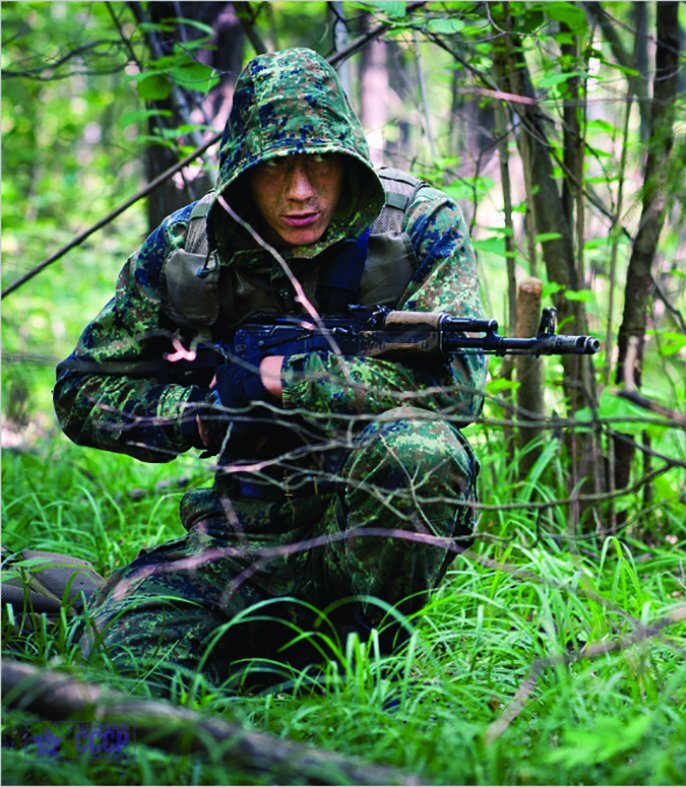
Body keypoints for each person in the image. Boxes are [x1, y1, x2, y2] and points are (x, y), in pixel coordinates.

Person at [53, 48, 485, 691]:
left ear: (348, 165)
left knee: (420, 450)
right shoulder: (189, 247)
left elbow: (455, 393)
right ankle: (76, 588)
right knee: (122, 666)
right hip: (236, 542)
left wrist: (287, 380)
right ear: (243, 176)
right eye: (275, 169)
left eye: (319, 166)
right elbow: (81, 389)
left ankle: (368, 665)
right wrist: (200, 416)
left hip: (359, 536)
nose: (300, 191)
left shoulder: (418, 227)